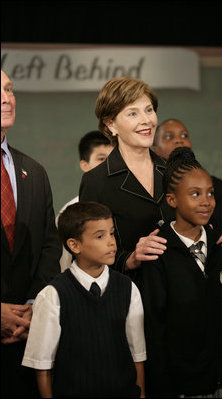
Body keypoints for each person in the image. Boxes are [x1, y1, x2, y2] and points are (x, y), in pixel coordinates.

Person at [79, 77, 222, 285]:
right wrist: (130, 259)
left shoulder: (175, 171)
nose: (146, 120)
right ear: (111, 124)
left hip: (186, 293)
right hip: (131, 295)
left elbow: (199, 225)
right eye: (133, 113)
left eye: (149, 110)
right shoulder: (96, 181)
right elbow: (86, 253)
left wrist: (215, 238)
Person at [140, 147, 222, 398]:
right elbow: (155, 331)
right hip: (183, 385)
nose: (206, 201)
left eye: (210, 193)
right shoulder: (158, 253)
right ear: (172, 200)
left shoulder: (221, 246)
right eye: (195, 194)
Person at [22, 201, 146, 398]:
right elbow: (42, 365)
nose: (111, 242)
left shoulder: (127, 288)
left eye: (112, 233)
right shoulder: (52, 295)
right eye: (100, 236)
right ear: (74, 245)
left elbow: (137, 354)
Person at [152, 118, 222, 333]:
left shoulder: (217, 187)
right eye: (169, 137)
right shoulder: (151, 190)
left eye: (184, 135)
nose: (179, 141)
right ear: (154, 148)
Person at [1, 69, 61, 397]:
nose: (6, 98)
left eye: (9, 89)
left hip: (28, 338)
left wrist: (33, 305)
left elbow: (49, 246)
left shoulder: (35, 172)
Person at [56, 130, 114, 271]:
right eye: (101, 159)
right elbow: (64, 263)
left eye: (113, 159)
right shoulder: (69, 212)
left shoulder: (127, 202)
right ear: (84, 165)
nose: (109, 166)